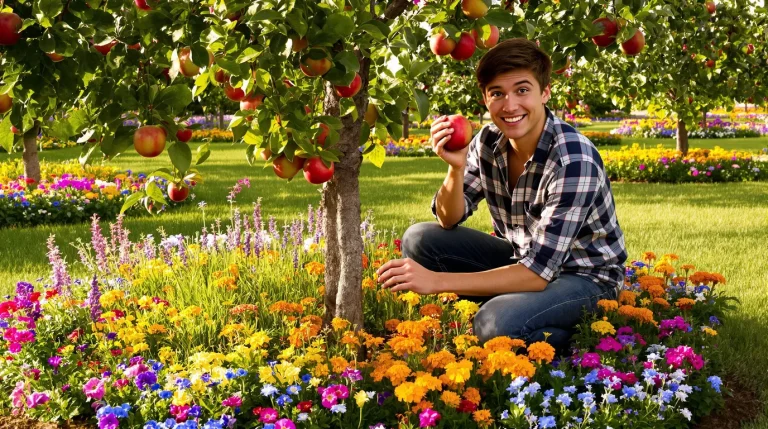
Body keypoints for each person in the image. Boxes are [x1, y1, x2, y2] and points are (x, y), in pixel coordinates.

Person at [376, 38, 627, 353]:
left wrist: (436, 282)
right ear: (485, 99)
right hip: (523, 261)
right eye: (497, 93)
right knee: (419, 238)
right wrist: (454, 169)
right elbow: (447, 217)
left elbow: (537, 274)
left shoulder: (572, 159)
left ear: (545, 92)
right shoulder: (487, 142)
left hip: (585, 279)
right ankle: (517, 306)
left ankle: (583, 343)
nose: (510, 106)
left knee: (494, 322)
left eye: (522, 90)